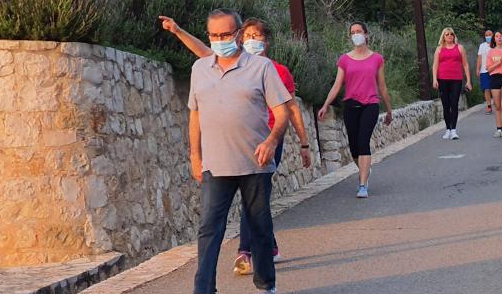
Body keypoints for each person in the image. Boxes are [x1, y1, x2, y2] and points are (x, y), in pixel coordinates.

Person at [159, 15, 312, 276]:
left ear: (264, 41)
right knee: (253, 206)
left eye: (257, 37)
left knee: (253, 201)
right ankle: (264, 247)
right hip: (231, 144)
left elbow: (291, 108)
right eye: (249, 36)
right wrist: (178, 31)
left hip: (267, 139)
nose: (252, 41)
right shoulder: (224, 64)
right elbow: (204, 52)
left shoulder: (273, 69)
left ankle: (246, 251)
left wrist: (303, 142)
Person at [184, 9, 292, 294]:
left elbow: (282, 111)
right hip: (215, 165)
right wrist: (195, 155)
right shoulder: (199, 69)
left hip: (255, 162)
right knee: (209, 228)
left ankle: (266, 282)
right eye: (214, 36)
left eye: (226, 35)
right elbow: (195, 114)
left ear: (238, 35)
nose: (220, 41)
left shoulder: (261, 67)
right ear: (209, 36)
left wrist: (271, 141)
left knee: (258, 226)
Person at [317, 22, 393, 199]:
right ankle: (365, 169)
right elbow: (337, 85)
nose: (356, 35)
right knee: (353, 148)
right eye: (353, 32)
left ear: (366, 35)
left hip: (370, 104)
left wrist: (389, 110)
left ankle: (362, 184)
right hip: (351, 105)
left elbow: (382, 86)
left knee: (363, 141)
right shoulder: (344, 59)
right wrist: (326, 104)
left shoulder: (377, 59)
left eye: (359, 31)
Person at [432, 27, 472, 140]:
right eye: (447, 34)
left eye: (451, 34)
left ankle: (454, 130)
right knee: (446, 105)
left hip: (456, 79)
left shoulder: (460, 48)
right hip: (443, 79)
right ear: (443, 37)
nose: (449, 36)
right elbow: (435, 65)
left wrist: (468, 81)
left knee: (454, 104)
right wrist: (434, 79)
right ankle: (447, 129)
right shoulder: (439, 49)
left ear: (454, 36)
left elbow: (465, 64)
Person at [476, 30, 494, 114]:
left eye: (489, 34)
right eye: (486, 35)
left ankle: (498, 104)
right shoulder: (482, 46)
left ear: (493, 35)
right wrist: (478, 69)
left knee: (495, 89)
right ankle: (489, 106)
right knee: (486, 89)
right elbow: (479, 58)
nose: (488, 36)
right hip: (484, 70)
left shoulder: (496, 45)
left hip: (495, 70)